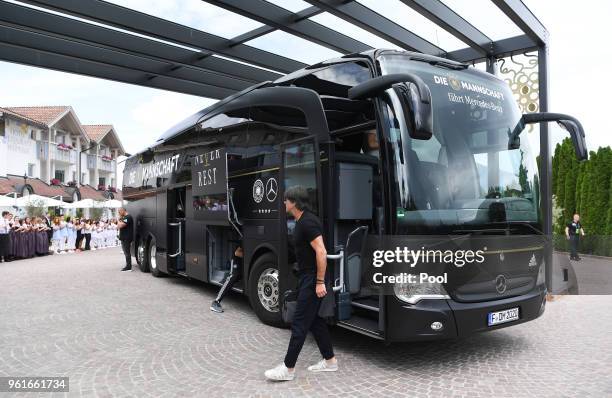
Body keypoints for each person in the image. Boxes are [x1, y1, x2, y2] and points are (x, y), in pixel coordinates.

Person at [264, 186, 337, 381]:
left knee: (299, 322)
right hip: (307, 277)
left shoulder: (307, 222)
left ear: (294, 202)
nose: (284, 203)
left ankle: (288, 369)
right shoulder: (301, 221)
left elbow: (321, 252)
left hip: (313, 279)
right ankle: (330, 360)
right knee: (314, 320)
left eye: (286, 200)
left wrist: (320, 282)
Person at [210, 246, 244, 313]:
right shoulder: (241, 242)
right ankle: (216, 301)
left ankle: (225, 281)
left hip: (242, 261)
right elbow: (237, 253)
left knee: (239, 277)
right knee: (233, 277)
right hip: (236, 259)